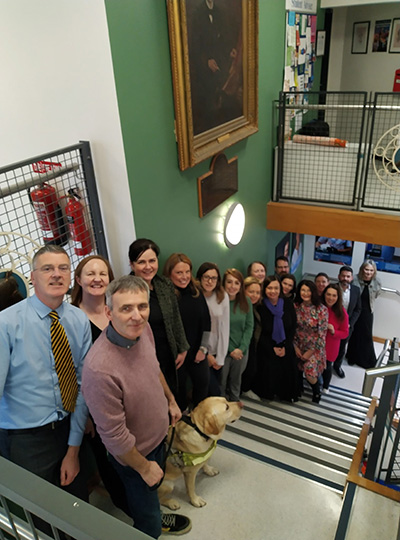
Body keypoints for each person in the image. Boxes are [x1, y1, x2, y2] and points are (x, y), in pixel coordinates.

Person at [82, 276, 191, 539]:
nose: (137, 316)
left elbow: (154, 369)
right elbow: (115, 438)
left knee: (150, 500)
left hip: (157, 440)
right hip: (135, 457)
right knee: (148, 523)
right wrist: (144, 467)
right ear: (108, 312)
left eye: (142, 306)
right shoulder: (100, 369)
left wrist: (170, 401)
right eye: (126, 308)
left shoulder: (144, 331)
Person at [0, 245, 92, 525]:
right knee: (39, 517)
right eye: (47, 269)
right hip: (25, 440)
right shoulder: (6, 324)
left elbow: (82, 385)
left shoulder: (78, 319)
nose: (56, 274)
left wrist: (73, 448)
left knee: (77, 508)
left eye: (63, 268)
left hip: (69, 429)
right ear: (32, 277)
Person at [71, 255, 130, 515]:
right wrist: (82, 416)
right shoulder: (71, 319)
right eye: (90, 273)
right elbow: (70, 373)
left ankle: (141, 501)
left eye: (102, 274)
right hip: (94, 407)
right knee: (111, 462)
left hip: (126, 397)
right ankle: (128, 508)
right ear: (78, 280)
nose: (97, 279)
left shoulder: (115, 310)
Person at [128, 239, 189, 396]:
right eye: (141, 262)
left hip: (169, 354)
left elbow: (176, 318)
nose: (148, 267)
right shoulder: (125, 290)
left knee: (175, 398)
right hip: (143, 359)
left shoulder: (165, 285)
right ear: (132, 264)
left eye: (152, 261)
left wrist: (182, 348)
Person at [163, 253, 211, 411]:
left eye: (187, 272)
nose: (184, 277)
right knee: (179, 390)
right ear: (170, 274)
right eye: (179, 272)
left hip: (197, 350)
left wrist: (202, 349)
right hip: (177, 355)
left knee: (203, 383)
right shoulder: (166, 296)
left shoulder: (196, 292)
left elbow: (206, 323)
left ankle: (198, 416)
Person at [255, 276, 298, 402]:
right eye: (269, 288)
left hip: (286, 345)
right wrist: (272, 348)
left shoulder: (288, 304)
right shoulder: (260, 306)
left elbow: (293, 326)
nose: (273, 291)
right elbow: (259, 332)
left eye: (276, 288)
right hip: (267, 347)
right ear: (264, 289)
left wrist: (285, 346)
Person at [196, 262, 230, 397]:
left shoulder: (222, 296)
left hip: (217, 351)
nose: (210, 281)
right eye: (206, 277)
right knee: (212, 391)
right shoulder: (195, 296)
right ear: (200, 278)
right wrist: (206, 354)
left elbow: (225, 327)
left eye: (214, 278)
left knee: (215, 391)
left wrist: (220, 357)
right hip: (200, 352)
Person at [221, 269, 253, 401]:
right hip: (223, 350)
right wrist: (230, 350)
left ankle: (234, 406)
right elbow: (218, 329)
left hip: (241, 351)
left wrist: (242, 348)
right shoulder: (219, 301)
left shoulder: (246, 301)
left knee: (236, 382)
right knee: (221, 383)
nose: (232, 286)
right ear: (223, 283)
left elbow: (249, 326)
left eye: (236, 283)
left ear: (241, 286)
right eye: (229, 282)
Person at [294, 280, 328, 403]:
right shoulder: (296, 306)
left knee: (309, 372)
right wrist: (295, 347)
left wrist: (311, 351)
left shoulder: (321, 309)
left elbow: (322, 334)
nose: (305, 293)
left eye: (308, 290)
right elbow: (292, 328)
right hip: (298, 344)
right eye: (303, 290)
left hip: (315, 347)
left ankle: (316, 390)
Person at [346, 260, 382, 369]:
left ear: (374, 271)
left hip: (367, 312)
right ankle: (352, 357)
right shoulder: (355, 280)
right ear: (362, 269)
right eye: (366, 269)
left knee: (366, 335)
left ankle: (366, 361)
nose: (368, 272)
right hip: (355, 311)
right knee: (353, 334)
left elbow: (376, 295)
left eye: (371, 270)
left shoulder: (377, 282)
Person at [333, 266, 361, 379]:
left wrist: (351, 323)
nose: (345, 278)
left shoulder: (356, 290)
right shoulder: (332, 288)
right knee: (330, 346)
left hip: (347, 326)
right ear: (339, 276)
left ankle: (337, 366)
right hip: (333, 325)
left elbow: (358, 309)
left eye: (348, 276)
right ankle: (325, 366)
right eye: (343, 276)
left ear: (352, 278)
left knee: (342, 347)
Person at [321, 284, 349, 393]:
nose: (330, 298)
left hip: (331, 345)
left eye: (334, 295)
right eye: (328, 294)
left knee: (327, 367)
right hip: (316, 344)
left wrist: (334, 332)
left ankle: (326, 386)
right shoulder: (318, 307)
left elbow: (345, 333)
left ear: (338, 297)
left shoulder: (342, 313)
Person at [241, 276, 262, 397]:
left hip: (252, 342)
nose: (254, 295)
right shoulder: (241, 307)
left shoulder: (255, 308)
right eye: (251, 292)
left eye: (257, 292)